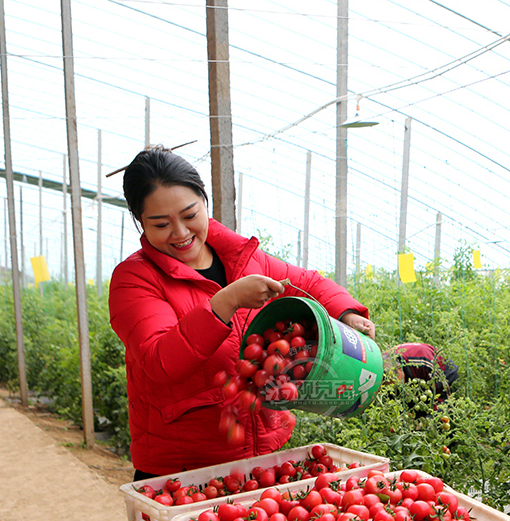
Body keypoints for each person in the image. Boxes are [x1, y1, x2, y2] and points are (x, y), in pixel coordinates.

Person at [108, 145, 376, 481]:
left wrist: (346, 312)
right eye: (161, 224)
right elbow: (160, 361)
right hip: (185, 470)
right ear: (140, 221)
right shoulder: (135, 279)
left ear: (205, 202)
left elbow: (307, 283)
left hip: (265, 459)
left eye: (190, 215)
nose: (180, 232)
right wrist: (225, 302)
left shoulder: (242, 258)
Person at [391, 342, 459, 404]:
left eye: (396, 383)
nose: (398, 386)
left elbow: (444, 388)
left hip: (444, 372)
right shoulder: (384, 363)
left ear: (399, 368)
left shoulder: (423, 362)